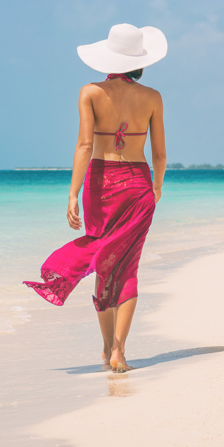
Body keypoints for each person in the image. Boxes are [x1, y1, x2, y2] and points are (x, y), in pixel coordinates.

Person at [23, 23, 167, 373]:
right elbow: (160, 154)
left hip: (101, 186)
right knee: (128, 266)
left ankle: (106, 348)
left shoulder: (89, 92)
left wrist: (72, 194)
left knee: (104, 263)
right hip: (137, 186)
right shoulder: (152, 97)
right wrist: (157, 187)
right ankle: (119, 351)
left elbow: (85, 146)